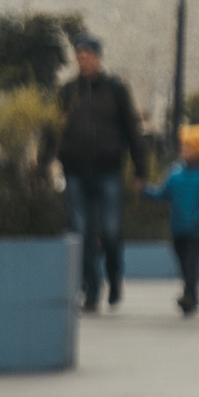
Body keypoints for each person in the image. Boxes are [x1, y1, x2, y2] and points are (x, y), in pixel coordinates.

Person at [53, 34, 145, 314]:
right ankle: (91, 290)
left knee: (110, 231)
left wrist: (140, 169)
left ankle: (114, 277)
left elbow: (132, 129)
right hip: (76, 170)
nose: (82, 60)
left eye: (87, 55)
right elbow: (52, 129)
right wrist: (42, 164)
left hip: (108, 170)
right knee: (80, 231)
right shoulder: (68, 91)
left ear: (97, 57)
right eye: (78, 56)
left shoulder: (115, 90)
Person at [145, 124, 199, 317]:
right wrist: (144, 190)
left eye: (188, 147)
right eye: (183, 146)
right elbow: (162, 193)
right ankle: (192, 294)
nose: (184, 150)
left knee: (192, 265)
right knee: (183, 264)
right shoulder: (175, 172)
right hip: (178, 229)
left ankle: (188, 296)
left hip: (197, 232)